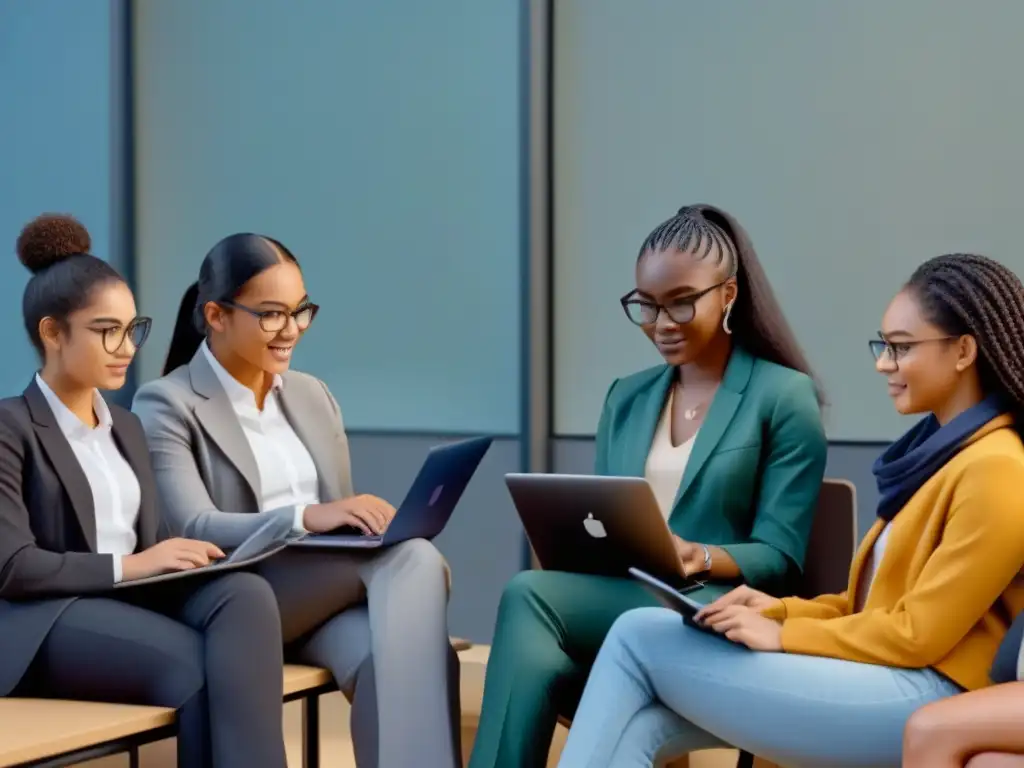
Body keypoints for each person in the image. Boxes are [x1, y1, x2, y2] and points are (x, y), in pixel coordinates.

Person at [556, 252, 1024, 768]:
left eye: (901, 348)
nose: (883, 363)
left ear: (963, 351)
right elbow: (867, 607)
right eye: (884, 345)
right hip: (886, 678)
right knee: (645, 725)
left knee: (636, 634)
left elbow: (917, 635)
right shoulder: (942, 456)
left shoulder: (998, 468)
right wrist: (772, 607)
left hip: (927, 694)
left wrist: (783, 633)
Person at [468, 204, 828, 768]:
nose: (662, 322)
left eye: (681, 301)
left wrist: (699, 555)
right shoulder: (627, 397)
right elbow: (605, 516)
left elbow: (781, 557)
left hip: (713, 606)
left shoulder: (782, 397)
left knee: (528, 597)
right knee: (542, 658)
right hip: (625, 597)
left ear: (728, 294)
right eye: (646, 305)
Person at [132, 233, 460, 768]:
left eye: (301, 311)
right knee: (415, 559)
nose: (291, 330)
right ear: (215, 315)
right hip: (239, 595)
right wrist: (303, 516)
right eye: (271, 315)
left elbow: (340, 509)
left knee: (396, 659)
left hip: (318, 600)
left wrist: (358, 521)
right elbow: (192, 524)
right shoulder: (167, 403)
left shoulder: (311, 394)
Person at [0, 215, 287, 768]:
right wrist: (130, 566)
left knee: (246, 594)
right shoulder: (10, 428)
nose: (126, 346)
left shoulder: (126, 426)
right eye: (107, 329)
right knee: (189, 666)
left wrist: (191, 560)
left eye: (134, 328)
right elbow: (13, 567)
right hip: (40, 621)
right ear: (52, 333)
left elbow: (150, 541)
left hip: (123, 605)